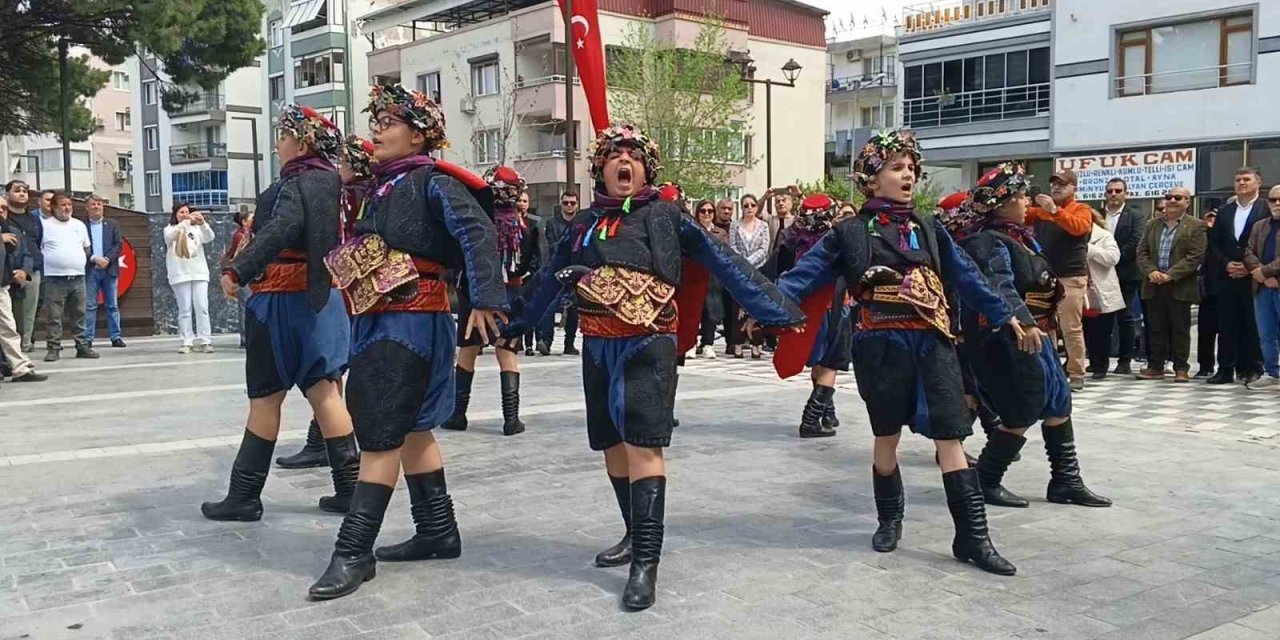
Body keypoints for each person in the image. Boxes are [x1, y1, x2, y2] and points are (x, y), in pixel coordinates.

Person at [504, 123, 804, 610]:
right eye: (615, 155)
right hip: (598, 345)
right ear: (600, 168)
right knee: (610, 447)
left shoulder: (666, 215)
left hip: (648, 342)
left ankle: (646, 562)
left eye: (634, 156)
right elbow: (548, 279)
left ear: (647, 170)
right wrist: (514, 322)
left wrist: (776, 310)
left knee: (643, 445)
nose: (625, 162)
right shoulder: (583, 223)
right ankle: (632, 533)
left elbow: (723, 259)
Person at [771, 130, 1018, 575]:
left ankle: (973, 537)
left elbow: (966, 275)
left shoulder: (929, 227)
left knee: (950, 436)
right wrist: (765, 307)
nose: (908, 175)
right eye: (896, 168)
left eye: (911, 168)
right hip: (880, 345)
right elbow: (803, 275)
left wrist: (1006, 314)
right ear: (872, 178)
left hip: (933, 341)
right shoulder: (848, 232)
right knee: (887, 436)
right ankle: (889, 520)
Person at [308, 83, 507, 600]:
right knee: (414, 429)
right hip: (383, 318)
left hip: (411, 322)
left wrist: (485, 298)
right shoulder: (381, 186)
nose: (376, 130)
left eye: (388, 123)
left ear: (418, 136)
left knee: (379, 435)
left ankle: (353, 552)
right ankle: (438, 531)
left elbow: (477, 233)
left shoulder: (433, 182)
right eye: (375, 121)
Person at [203, 104, 359, 521]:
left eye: (283, 136)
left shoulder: (292, 184)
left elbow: (283, 226)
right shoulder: (338, 186)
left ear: (302, 142)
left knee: (266, 398)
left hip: (281, 303)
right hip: (325, 300)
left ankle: (244, 496)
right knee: (326, 392)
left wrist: (239, 268)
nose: (278, 145)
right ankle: (351, 491)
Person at [941, 162, 1111, 511]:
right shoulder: (987, 241)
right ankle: (986, 480)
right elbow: (999, 284)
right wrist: (1022, 319)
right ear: (1002, 205)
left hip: (1037, 332)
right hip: (1009, 336)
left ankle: (1065, 480)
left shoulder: (1020, 236)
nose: (1026, 201)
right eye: (1019, 196)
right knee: (1022, 408)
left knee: (1059, 402)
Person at [275, 134, 375, 470]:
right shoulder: (369, 193)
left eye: (345, 162)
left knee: (331, 373)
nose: (339, 167)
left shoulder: (349, 195)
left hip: (344, 288)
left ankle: (329, 446)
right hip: (356, 289)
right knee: (333, 373)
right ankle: (324, 443)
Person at [441, 166, 538, 436]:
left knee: (468, 349)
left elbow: (461, 259)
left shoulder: (479, 224)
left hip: (476, 294)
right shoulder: (526, 229)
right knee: (507, 351)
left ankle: (458, 414)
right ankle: (511, 418)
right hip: (511, 293)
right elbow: (531, 265)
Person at [773, 193, 850, 438]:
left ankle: (827, 412)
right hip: (833, 307)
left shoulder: (791, 239)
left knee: (817, 362)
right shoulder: (836, 242)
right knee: (830, 364)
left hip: (805, 309)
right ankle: (810, 420)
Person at [1027, 170, 1093, 391]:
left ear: (1074, 188)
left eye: (1063, 184)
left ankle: (1076, 373)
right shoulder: (1040, 212)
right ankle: (1051, 369)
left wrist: (1055, 211)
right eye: (1054, 184)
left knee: (1070, 327)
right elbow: (1018, 215)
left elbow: (1078, 227)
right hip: (1046, 276)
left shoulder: (1082, 209)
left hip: (1071, 277)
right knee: (1045, 326)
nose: (1056, 187)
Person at [1135, 187, 1207, 382]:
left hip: (1179, 285)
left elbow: (1195, 256)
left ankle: (1181, 368)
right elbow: (1141, 252)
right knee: (1155, 328)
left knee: (1180, 329)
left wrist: (1170, 275)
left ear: (1187, 202)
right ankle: (1155, 366)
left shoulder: (1196, 225)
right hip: (1153, 284)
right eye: (1169, 197)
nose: (1172, 200)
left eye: (1178, 197)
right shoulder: (1152, 224)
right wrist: (1151, 271)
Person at [1207, 167, 1267, 385]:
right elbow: (1214, 242)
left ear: (1258, 183)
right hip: (1227, 276)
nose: (1241, 183)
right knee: (1226, 324)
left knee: (1253, 324)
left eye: (1246, 179)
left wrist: (1249, 266)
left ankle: (1253, 368)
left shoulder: (1265, 208)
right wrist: (1226, 263)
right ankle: (1225, 369)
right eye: (1238, 179)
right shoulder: (1225, 211)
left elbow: (1267, 242)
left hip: (1255, 276)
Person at [40, 193, 97, 362]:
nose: (67, 208)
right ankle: (53, 348)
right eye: (63, 205)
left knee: (79, 313)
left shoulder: (79, 225)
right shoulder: (44, 225)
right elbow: (38, 248)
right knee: (54, 316)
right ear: (54, 207)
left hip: (78, 277)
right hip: (54, 278)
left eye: (69, 205)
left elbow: (87, 248)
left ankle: (82, 346)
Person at [0, 195, 48, 384]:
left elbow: (26, 252)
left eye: (4, 208)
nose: (1, 211)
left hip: (2, 286)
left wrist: (23, 271)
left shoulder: (10, 231)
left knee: (9, 328)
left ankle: (19, 369)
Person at [1101, 178, 1143, 374]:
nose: (1114, 194)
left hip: (1125, 273)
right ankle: (1099, 360)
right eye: (1110, 191)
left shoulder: (1135, 215)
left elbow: (1136, 241)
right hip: (1101, 273)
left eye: (1118, 191)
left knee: (1125, 317)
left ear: (1125, 193)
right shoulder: (1098, 214)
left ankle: (1125, 360)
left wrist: (1113, 259)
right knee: (1101, 319)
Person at [164, 203, 215, 353]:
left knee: (202, 306)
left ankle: (205, 340)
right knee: (185, 308)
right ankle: (187, 340)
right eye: (181, 212)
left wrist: (203, 223)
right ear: (175, 214)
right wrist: (186, 222)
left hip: (199, 272)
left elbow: (209, 237)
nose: (185, 215)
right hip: (180, 274)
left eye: (187, 212)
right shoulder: (170, 229)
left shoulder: (197, 229)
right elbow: (170, 236)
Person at [1243, 184, 1280, 390]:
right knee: (1266, 334)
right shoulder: (1260, 226)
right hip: (1263, 288)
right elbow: (1248, 252)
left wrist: (1265, 272)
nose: (1277, 203)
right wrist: (1262, 275)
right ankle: (1272, 373)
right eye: (1273, 200)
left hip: (1274, 282)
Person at [1082, 211, 1127, 380]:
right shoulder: (1070, 235)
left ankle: (1101, 365)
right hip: (1080, 290)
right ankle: (1092, 361)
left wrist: (1090, 250)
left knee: (1101, 331)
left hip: (1101, 289)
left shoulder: (1104, 236)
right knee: (1085, 329)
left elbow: (1113, 258)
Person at [535, 191, 581, 356]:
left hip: (576, 269)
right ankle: (546, 341)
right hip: (556, 270)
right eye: (566, 202)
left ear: (577, 205)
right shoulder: (553, 223)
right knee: (550, 306)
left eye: (572, 203)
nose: (569, 206)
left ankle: (569, 344)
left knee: (573, 309)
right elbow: (551, 246)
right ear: (561, 204)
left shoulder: (580, 223)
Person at [81, 194, 126, 349]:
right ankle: (88, 338)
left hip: (109, 269)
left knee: (112, 305)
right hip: (90, 269)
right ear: (87, 207)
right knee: (90, 306)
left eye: (99, 204)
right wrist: (94, 258)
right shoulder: (82, 226)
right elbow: (79, 246)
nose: (97, 207)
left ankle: (116, 336)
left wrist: (107, 259)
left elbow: (118, 245)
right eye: (93, 204)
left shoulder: (112, 224)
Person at [729, 193, 770, 358]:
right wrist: (742, 263)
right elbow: (732, 246)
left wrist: (750, 263)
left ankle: (756, 343)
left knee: (756, 306)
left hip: (758, 269)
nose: (749, 208)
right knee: (739, 307)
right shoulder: (735, 225)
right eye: (746, 205)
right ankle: (738, 343)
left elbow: (764, 248)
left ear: (757, 207)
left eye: (752, 205)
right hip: (740, 271)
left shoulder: (763, 226)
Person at [4, 181, 43, 353]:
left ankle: (24, 346)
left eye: (24, 191)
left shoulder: (34, 218)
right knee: (8, 313)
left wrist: (25, 270)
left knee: (28, 312)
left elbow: (36, 243)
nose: (21, 193)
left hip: (30, 270)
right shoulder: (4, 218)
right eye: (17, 190)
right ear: (7, 194)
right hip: (6, 272)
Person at [692, 200, 725, 358]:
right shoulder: (692, 229)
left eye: (710, 211)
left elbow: (724, 253)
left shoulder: (720, 233)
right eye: (703, 211)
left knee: (711, 309)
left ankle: (708, 343)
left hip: (713, 274)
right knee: (693, 310)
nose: (706, 214)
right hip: (695, 274)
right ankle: (691, 343)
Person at [1197, 206, 1222, 377]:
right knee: (1205, 330)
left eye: (1214, 218)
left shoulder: (1224, 235)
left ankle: (1228, 365)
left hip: (1224, 287)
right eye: (1208, 218)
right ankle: (1205, 366)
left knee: (1227, 331)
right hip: (1206, 291)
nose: (1211, 221)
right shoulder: (1200, 235)